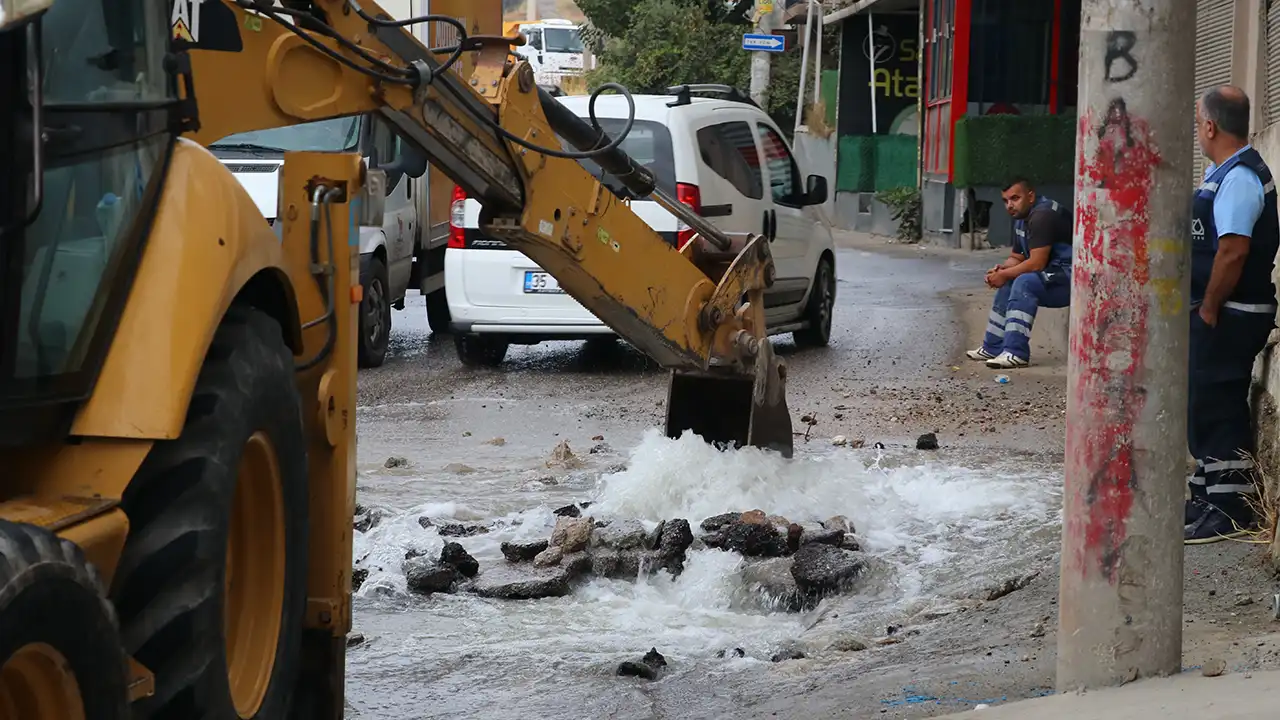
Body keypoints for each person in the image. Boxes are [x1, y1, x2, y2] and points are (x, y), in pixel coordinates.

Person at [1184, 86, 1279, 544]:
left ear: (1210, 125)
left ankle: (1230, 507)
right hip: (1221, 309)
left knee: (1217, 399)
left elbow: (1234, 250)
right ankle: (1205, 495)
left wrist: (1208, 305)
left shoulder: (1239, 177)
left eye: (1198, 121)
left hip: (1231, 311)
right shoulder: (1222, 173)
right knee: (1201, 398)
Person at [966, 178, 1074, 369]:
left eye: (1015, 198)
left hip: (1071, 278)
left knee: (1024, 282)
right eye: (1006, 200)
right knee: (1009, 280)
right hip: (1053, 274)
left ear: (1030, 196)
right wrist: (1001, 270)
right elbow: (1017, 257)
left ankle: (1016, 353)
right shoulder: (1023, 217)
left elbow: (1036, 264)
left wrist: (1007, 274)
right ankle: (992, 347)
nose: (1010, 205)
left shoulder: (1042, 216)